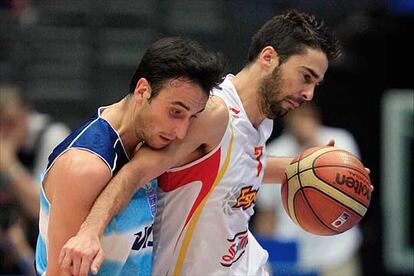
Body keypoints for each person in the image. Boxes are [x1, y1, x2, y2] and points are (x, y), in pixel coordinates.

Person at [59, 10, 343, 276]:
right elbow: (134, 173)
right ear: (268, 58)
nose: (308, 94)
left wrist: (314, 168)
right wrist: (89, 231)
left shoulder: (260, 120)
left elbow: (237, 167)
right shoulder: (212, 114)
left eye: (315, 84)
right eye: (305, 77)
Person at [34, 37, 226, 276]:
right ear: (143, 90)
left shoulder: (151, 143)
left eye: (192, 117)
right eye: (175, 112)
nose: (181, 132)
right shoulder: (86, 167)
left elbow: (220, 116)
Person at [254, 102, 363, 275]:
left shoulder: (341, 140)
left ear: (315, 115)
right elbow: (267, 215)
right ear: (287, 118)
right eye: (296, 115)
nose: (301, 120)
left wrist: (312, 142)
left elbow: (354, 196)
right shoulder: (275, 150)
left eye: (306, 114)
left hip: (336, 254)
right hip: (295, 259)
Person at [0, 84, 70, 274]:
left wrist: (9, 166)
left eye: (10, 123)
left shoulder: (52, 137)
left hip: (40, 243)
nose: (3, 132)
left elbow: (42, 209)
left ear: (26, 115)